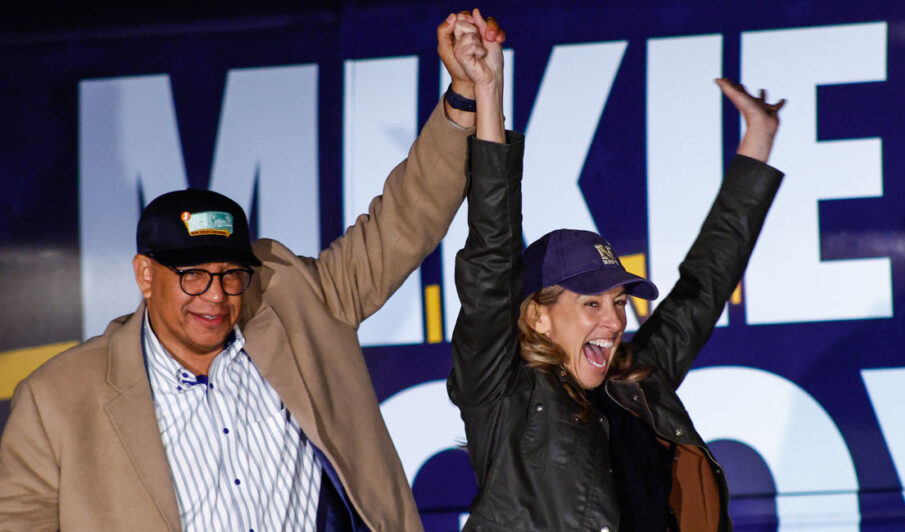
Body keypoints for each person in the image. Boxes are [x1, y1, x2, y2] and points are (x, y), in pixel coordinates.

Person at [0, 11, 505, 532]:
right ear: (145, 276)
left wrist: (465, 97)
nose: (216, 296)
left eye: (231, 274)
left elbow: (405, 218)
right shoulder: (59, 399)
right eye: (193, 275)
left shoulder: (298, 304)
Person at [448, 55, 785, 531]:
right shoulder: (505, 395)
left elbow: (704, 287)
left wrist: (760, 138)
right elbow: (491, 256)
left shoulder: (638, 383)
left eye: (620, 302)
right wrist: (488, 93)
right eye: (591, 303)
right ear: (538, 316)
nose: (614, 321)